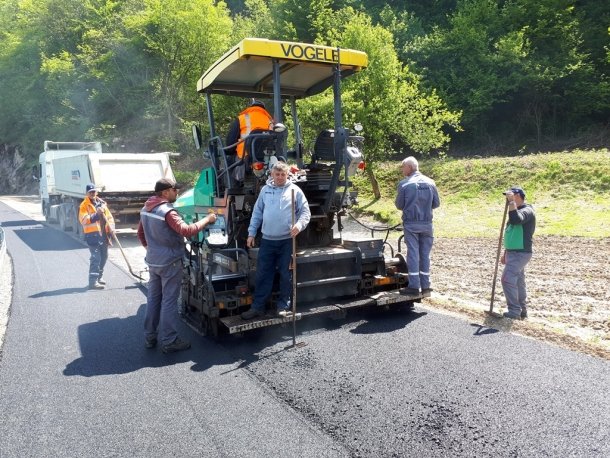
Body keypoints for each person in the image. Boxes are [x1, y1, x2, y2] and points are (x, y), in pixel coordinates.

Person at [137, 178, 217, 353]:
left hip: (154, 261)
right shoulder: (168, 212)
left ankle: (150, 336)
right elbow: (186, 230)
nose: (177, 192)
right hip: (170, 263)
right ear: (165, 192)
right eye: (175, 190)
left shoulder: (146, 208)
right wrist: (208, 219)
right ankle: (169, 340)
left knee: (153, 299)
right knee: (169, 301)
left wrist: (153, 250)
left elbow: (140, 234)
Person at [241, 162, 311, 320]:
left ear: (287, 175)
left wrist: (299, 225)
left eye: (283, 174)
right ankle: (258, 307)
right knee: (263, 274)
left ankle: (283, 307)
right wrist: (251, 233)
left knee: (286, 275)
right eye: (277, 174)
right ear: (272, 175)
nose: (280, 177)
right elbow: (257, 213)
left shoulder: (295, 190)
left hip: (287, 241)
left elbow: (305, 213)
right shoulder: (265, 191)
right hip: (267, 241)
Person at [395, 156, 441, 296]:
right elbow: (436, 204)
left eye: (403, 167)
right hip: (427, 224)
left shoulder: (404, 184)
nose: (403, 170)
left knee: (413, 254)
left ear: (409, 167)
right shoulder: (431, 182)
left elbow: (399, 205)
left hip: (411, 224)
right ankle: (426, 286)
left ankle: (414, 287)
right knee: (425, 255)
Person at [500, 187, 536, 319]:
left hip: (520, 253)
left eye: (511, 195)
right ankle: (521, 311)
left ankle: (514, 311)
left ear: (519, 196)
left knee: (507, 279)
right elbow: (511, 231)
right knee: (518, 282)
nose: (508, 198)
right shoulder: (514, 210)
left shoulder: (527, 210)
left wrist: (511, 204)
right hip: (513, 252)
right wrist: (506, 252)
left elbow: (516, 220)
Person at [226, 99, 274, 180]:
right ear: (263, 109)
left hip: (245, 156)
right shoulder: (270, 121)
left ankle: (234, 189)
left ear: (251, 107)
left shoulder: (242, 118)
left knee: (229, 160)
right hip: (267, 156)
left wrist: (228, 151)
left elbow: (230, 144)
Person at [79, 183, 115, 290]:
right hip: (92, 236)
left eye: (94, 191)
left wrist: (112, 227)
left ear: (97, 192)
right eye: (90, 192)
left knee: (104, 256)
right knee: (96, 258)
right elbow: (84, 220)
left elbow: (110, 218)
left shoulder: (103, 205)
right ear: (87, 193)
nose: (92, 193)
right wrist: (96, 214)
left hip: (104, 235)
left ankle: (99, 277)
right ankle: (93, 282)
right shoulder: (84, 206)